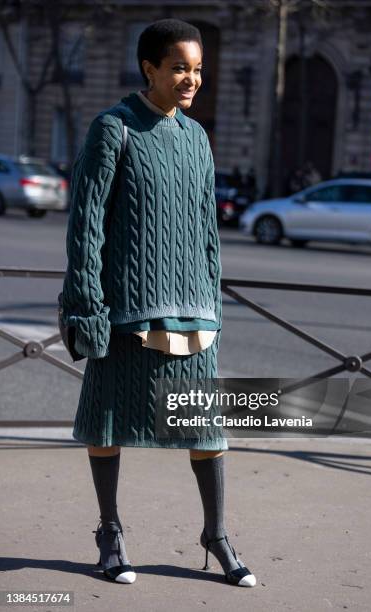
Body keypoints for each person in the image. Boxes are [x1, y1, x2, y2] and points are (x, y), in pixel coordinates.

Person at [61, 18, 256, 588]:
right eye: (179, 68)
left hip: (193, 314)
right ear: (149, 68)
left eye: (197, 69)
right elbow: (86, 225)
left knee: (206, 430)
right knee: (108, 420)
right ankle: (110, 533)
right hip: (125, 314)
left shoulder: (197, 137)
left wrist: (213, 307)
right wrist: (87, 306)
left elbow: (206, 232)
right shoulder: (113, 128)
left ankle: (215, 535)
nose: (191, 79)